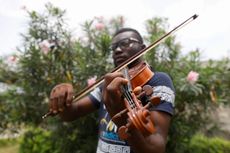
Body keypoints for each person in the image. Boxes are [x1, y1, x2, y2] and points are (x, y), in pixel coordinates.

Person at [48, 28, 175, 153]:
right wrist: (62, 96)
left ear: (142, 48)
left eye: (125, 43)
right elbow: (72, 113)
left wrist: (119, 114)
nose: (117, 50)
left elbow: (156, 148)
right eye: (114, 47)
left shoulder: (157, 81)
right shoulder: (108, 85)